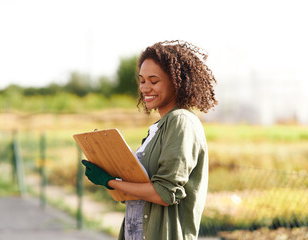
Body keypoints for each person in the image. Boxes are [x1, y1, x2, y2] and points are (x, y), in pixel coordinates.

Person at [82, 40, 217, 240]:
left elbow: (165, 193)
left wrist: (111, 181)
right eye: (142, 80)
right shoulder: (159, 127)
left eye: (154, 81)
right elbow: (142, 190)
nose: (145, 88)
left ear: (177, 82)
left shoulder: (181, 121)